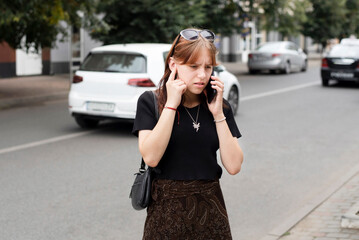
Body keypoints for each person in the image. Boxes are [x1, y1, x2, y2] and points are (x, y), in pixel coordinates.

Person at [132, 28, 244, 240]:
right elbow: (151, 157)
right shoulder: (150, 102)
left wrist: (218, 113)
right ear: (174, 65)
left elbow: (234, 165)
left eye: (208, 67)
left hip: (211, 213)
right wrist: (172, 105)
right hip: (166, 215)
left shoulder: (220, 106)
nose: (202, 75)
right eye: (193, 66)